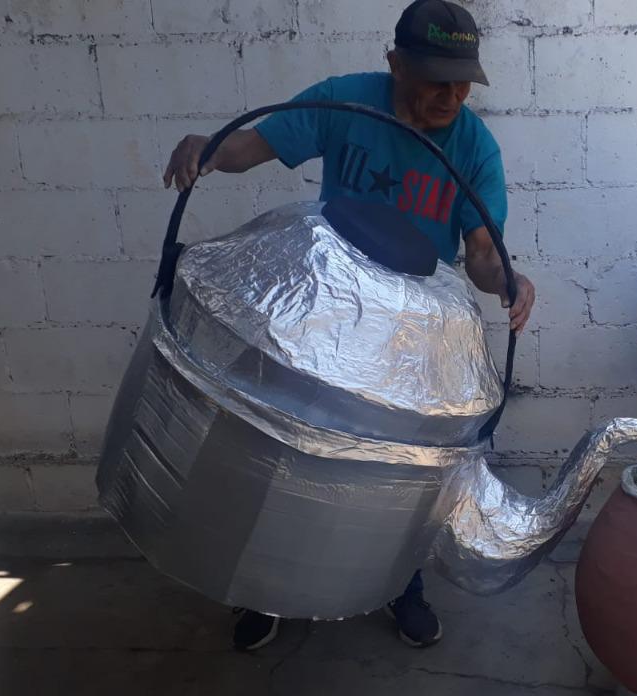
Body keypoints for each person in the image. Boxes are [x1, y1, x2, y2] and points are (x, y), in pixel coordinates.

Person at [161, 0, 536, 653]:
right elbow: (254, 146)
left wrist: (509, 280)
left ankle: (401, 583)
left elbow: (480, 253)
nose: (451, 97)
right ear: (396, 65)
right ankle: (264, 588)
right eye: (436, 80)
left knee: (403, 469)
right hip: (326, 312)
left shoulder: (474, 147)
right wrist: (210, 150)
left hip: (410, 331)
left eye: (463, 83)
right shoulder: (346, 102)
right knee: (290, 452)